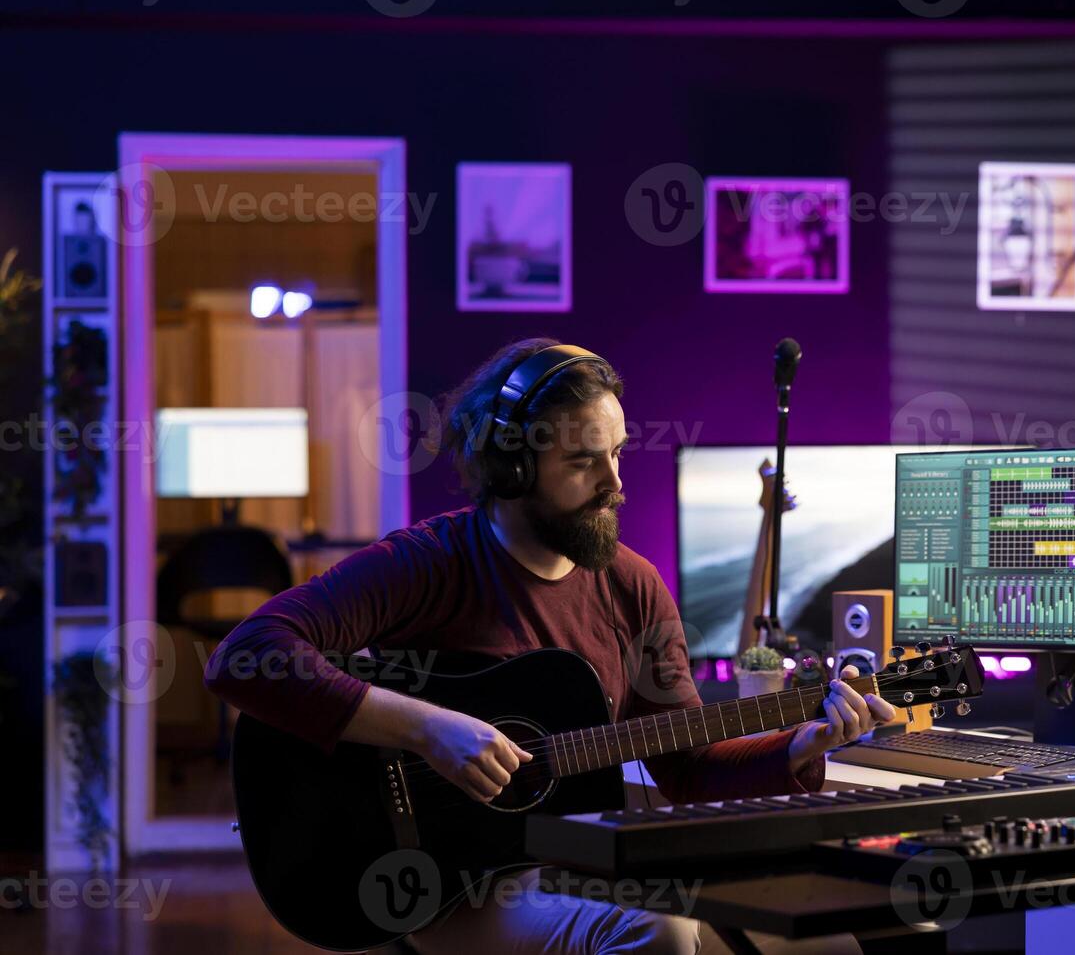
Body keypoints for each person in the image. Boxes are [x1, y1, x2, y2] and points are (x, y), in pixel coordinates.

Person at [204, 337, 896, 954]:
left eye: (618, 453)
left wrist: (802, 744)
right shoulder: (430, 563)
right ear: (510, 469)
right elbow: (246, 654)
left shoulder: (633, 586)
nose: (616, 483)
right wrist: (427, 730)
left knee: (825, 932)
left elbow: (686, 767)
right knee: (651, 927)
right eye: (583, 463)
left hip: (584, 855)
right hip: (447, 878)